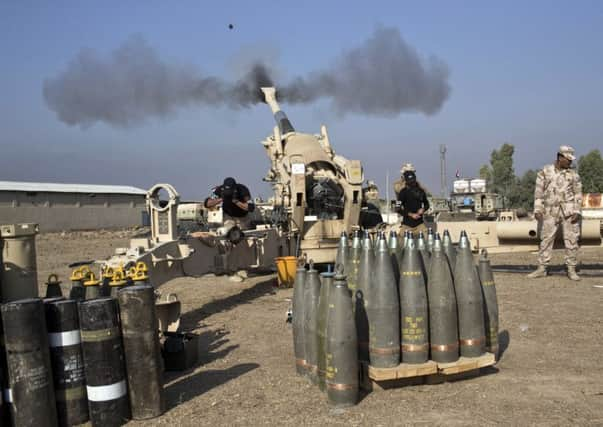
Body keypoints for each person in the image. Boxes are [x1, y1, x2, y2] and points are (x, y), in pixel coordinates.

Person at [527, 146, 582, 281]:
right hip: (550, 211)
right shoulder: (545, 172)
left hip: (568, 212)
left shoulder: (573, 175)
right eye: (568, 159)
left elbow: (578, 194)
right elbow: (538, 192)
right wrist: (537, 209)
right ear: (560, 157)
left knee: (571, 240)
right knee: (546, 239)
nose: (570, 162)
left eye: (571, 160)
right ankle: (542, 268)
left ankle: (571, 269)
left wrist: (577, 211)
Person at [397, 169, 430, 235]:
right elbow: (397, 208)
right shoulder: (402, 192)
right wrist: (411, 215)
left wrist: (423, 209)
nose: (412, 183)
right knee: (399, 243)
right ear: (406, 181)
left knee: (428, 240)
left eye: (413, 180)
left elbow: (427, 204)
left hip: (420, 225)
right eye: (410, 181)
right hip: (407, 225)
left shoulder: (421, 191)